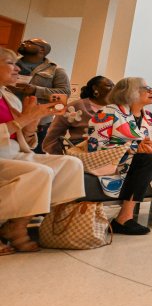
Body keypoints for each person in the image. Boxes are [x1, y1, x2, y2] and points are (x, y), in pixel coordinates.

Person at [0, 47, 84, 253]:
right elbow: (16, 126)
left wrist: (32, 121)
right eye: (10, 63)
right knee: (39, 171)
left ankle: (17, 224)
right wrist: (24, 119)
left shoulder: (8, 96)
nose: (17, 68)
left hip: (12, 152)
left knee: (70, 164)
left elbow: (24, 139)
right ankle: (17, 228)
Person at [88, 77, 152, 234]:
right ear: (129, 92)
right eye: (146, 88)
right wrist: (133, 149)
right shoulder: (108, 112)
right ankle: (123, 218)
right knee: (148, 159)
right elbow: (95, 146)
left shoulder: (149, 117)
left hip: (139, 161)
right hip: (113, 162)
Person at [8, 38, 71, 153]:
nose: (23, 43)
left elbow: (64, 94)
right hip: (8, 119)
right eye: (24, 41)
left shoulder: (56, 70)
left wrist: (36, 90)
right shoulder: (9, 64)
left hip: (38, 124)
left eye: (29, 43)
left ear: (42, 50)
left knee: (31, 156)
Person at [43, 76, 114, 155]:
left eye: (114, 86)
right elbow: (52, 136)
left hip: (109, 156)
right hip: (80, 155)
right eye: (109, 85)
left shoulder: (115, 109)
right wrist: (59, 156)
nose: (113, 88)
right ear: (95, 88)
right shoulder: (75, 107)